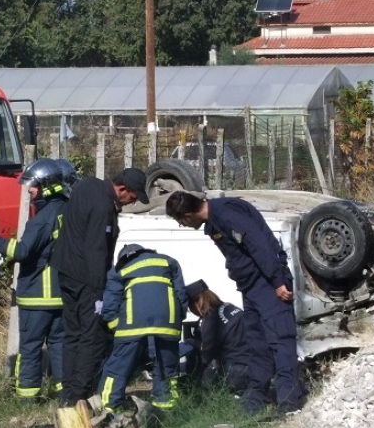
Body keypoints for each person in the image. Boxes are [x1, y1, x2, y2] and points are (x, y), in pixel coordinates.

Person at [165, 192, 305, 414]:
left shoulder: (226, 215)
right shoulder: (214, 220)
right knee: (257, 343)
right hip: (251, 286)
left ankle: (288, 400)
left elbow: (259, 245)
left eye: (180, 221)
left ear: (188, 215)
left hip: (267, 283)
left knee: (280, 339)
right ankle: (255, 399)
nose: (182, 225)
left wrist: (277, 281)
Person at [0, 158, 70, 400]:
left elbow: (22, 251)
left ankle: (27, 397)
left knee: (30, 346)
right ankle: (65, 395)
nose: (30, 190)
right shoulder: (67, 211)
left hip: (37, 296)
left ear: (48, 185)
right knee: (59, 346)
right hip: (62, 295)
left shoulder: (42, 219)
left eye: (34, 185)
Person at [52, 166, 150, 407]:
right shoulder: (104, 207)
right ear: (122, 188)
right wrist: (99, 292)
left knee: (72, 333)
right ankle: (79, 394)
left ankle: (67, 389)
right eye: (133, 197)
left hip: (65, 271)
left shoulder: (86, 185)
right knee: (91, 336)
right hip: (87, 279)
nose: (132, 202)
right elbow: (96, 250)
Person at [98, 244, 188, 413]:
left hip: (131, 326)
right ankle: (165, 409)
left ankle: (107, 408)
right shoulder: (169, 262)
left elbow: (110, 305)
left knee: (117, 369)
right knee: (167, 368)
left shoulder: (119, 270)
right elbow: (181, 295)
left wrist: (115, 328)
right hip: (167, 325)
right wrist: (177, 319)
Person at [184, 279, 255, 394]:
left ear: (197, 302)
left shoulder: (211, 319)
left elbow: (207, 354)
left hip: (235, 372)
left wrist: (193, 344)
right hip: (256, 366)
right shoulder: (230, 307)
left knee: (205, 375)